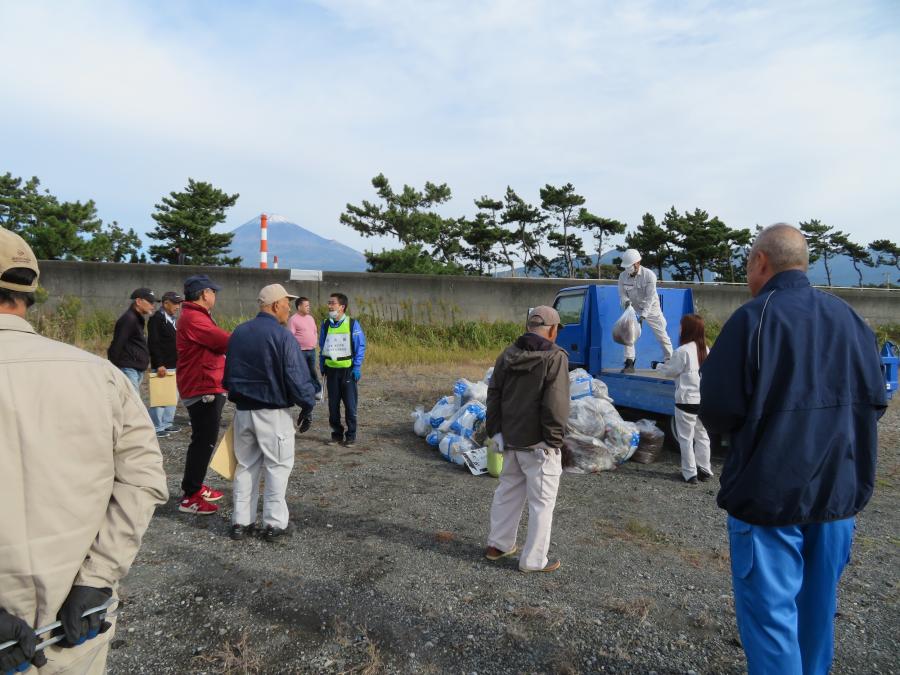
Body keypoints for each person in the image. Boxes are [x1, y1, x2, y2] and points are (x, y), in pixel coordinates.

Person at [699, 223, 887, 675]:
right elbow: (876, 402)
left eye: (747, 263)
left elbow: (719, 411)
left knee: (771, 624)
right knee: (817, 617)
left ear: (761, 262)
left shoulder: (754, 318)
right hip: (837, 498)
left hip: (769, 500)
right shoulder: (850, 319)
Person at [0, 229, 168, 674]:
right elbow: (144, 476)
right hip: (76, 627)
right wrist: (97, 578)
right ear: (29, 292)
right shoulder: (100, 376)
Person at [224, 284, 317, 542]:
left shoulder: (239, 332)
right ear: (276, 305)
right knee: (277, 467)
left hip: (243, 412)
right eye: (287, 302)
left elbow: (228, 375)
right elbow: (296, 376)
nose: (289, 307)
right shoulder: (282, 335)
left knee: (245, 466)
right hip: (273, 412)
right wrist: (308, 404)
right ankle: (274, 525)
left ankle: (241, 523)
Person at [484, 305, 570, 573]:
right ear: (553, 330)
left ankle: (498, 545)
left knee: (507, 492)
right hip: (540, 445)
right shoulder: (555, 357)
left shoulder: (508, 354)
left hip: (510, 439)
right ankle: (533, 561)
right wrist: (554, 441)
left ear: (528, 327)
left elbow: (494, 393)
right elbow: (555, 404)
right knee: (542, 503)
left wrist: (496, 432)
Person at [177, 274, 231, 515]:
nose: (215, 296)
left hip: (205, 384)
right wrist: (247, 337)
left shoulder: (196, 316)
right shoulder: (194, 318)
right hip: (202, 388)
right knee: (203, 441)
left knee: (204, 440)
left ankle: (195, 486)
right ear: (203, 294)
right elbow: (222, 340)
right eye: (213, 291)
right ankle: (190, 495)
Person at [654, 314, 712, 484]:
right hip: (702, 401)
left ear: (687, 329)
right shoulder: (706, 349)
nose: (679, 329)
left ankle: (690, 474)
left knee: (686, 438)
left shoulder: (682, 351)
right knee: (702, 435)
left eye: (681, 326)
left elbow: (669, 372)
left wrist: (657, 366)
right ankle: (705, 469)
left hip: (686, 401)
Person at [319, 292, 366, 446]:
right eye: (329, 303)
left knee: (350, 405)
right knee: (333, 406)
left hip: (348, 371)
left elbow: (360, 346)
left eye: (332, 303)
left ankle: (351, 436)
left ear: (342, 307)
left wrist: (357, 366)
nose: (329, 306)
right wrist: (322, 364)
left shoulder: (352, 324)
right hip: (331, 371)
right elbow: (322, 346)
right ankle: (336, 434)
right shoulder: (325, 324)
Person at [617, 248, 673, 373]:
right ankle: (629, 362)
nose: (627, 269)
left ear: (637, 263)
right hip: (633, 308)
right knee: (628, 333)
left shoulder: (649, 276)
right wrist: (626, 302)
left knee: (661, 334)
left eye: (629, 266)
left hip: (652, 308)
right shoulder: (622, 276)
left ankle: (670, 360)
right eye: (626, 267)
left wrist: (643, 316)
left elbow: (650, 298)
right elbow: (622, 294)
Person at [147, 290, 183, 438]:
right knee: (160, 396)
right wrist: (159, 363)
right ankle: (156, 425)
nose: (178, 306)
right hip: (163, 364)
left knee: (171, 396)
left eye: (179, 303)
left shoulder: (172, 319)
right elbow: (153, 343)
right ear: (165, 303)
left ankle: (167, 423)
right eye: (175, 303)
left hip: (174, 363)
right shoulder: (157, 319)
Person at [107, 287, 158, 390]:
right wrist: (115, 367)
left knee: (129, 402)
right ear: (138, 301)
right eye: (150, 302)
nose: (153, 306)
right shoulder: (129, 319)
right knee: (132, 403)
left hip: (135, 369)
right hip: (129, 369)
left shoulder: (137, 319)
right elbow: (117, 344)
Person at [288, 296, 323, 401]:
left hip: (311, 350)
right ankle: (303, 393)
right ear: (299, 307)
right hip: (300, 352)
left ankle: (317, 391)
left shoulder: (310, 318)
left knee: (312, 371)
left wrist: (315, 341)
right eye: (306, 305)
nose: (309, 307)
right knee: (301, 372)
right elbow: (290, 337)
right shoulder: (293, 320)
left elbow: (314, 331)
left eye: (309, 305)